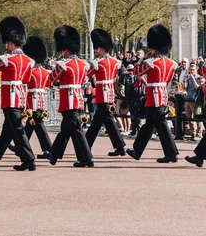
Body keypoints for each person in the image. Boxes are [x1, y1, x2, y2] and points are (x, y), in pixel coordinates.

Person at [0, 17, 35, 170]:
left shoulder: (7, 59)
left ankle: (29, 159)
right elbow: (26, 79)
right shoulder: (28, 61)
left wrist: (2, 57)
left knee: (16, 129)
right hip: (20, 98)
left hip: (10, 99)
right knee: (7, 130)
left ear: (11, 42)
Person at [126, 25, 179, 163]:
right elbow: (167, 80)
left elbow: (137, 72)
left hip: (154, 96)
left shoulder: (151, 62)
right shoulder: (170, 63)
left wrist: (142, 59)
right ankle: (137, 150)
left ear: (154, 48)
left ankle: (171, 153)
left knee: (160, 124)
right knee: (149, 124)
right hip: (162, 94)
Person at [46, 25, 94, 168]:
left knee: (76, 129)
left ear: (65, 49)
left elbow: (50, 80)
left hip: (69, 100)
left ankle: (87, 158)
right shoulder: (82, 64)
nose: (61, 53)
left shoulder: (63, 64)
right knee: (66, 128)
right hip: (77, 99)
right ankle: (54, 154)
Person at [84, 29, 126, 156]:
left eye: (97, 49)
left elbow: (88, 74)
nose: (96, 51)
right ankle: (86, 144)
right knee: (99, 121)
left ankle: (119, 146)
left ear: (101, 48)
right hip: (110, 93)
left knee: (107, 120)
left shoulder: (98, 62)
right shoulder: (115, 62)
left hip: (102, 94)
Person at [20, 36, 53, 159]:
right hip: (41, 99)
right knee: (31, 124)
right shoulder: (45, 72)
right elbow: (49, 84)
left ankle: (49, 149)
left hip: (32, 100)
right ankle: (21, 147)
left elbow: (23, 80)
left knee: (37, 124)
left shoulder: (32, 72)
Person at [184, 64, 202, 141]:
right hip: (188, 98)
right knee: (189, 117)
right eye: (190, 70)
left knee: (198, 116)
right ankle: (192, 134)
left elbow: (198, 88)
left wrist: (193, 79)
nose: (191, 71)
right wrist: (185, 80)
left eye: (193, 70)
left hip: (196, 100)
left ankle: (199, 134)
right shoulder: (188, 78)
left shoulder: (199, 78)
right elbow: (186, 88)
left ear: (196, 70)